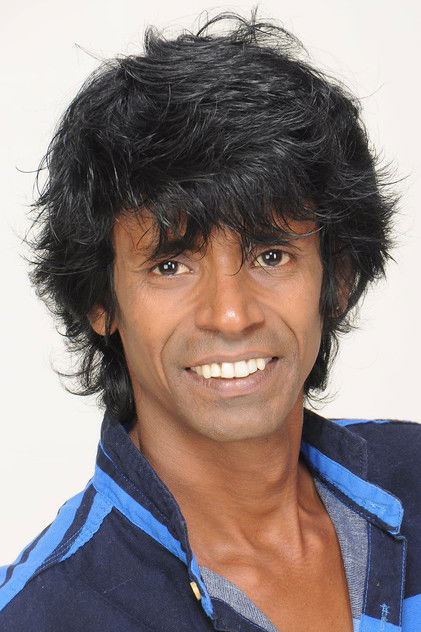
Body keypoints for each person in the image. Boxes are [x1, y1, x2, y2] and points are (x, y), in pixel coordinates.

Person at [0, 10, 419, 632]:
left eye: (270, 255)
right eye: (170, 265)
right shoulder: (45, 615)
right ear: (100, 302)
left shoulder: (413, 474)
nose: (230, 314)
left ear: (336, 278)